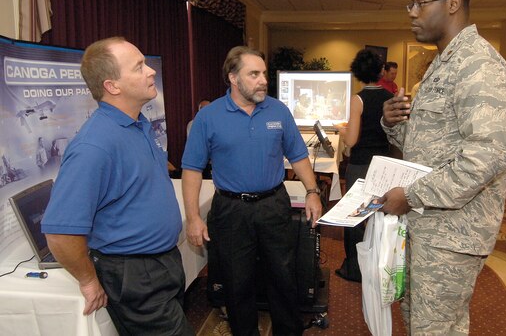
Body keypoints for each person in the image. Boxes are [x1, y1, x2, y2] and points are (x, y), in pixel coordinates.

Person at [380, 0, 506, 335]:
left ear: (453, 3)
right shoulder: (441, 64)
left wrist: (410, 195)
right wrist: (393, 122)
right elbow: (430, 143)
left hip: (452, 232)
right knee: (420, 320)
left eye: (420, 3)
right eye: (411, 4)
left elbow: (485, 159)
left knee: (433, 329)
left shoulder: (479, 65)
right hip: (428, 225)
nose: (411, 12)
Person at [41, 37, 194, 336]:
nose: (151, 71)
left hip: (162, 262)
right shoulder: (93, 146)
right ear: (113, 86)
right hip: (135, 274)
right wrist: (88, 280)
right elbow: (59, 233)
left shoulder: (138, 124)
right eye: (139, 67)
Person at [181, 45, 323, 336]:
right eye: (254, 74)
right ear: (233, 78)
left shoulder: (278, 110)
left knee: (283, 276)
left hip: (273, 205)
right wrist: (193, 216)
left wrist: (312, 192)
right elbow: (192, 169)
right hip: (231, 211)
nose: (263, 80)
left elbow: (298, 155)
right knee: (237, 282)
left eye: (263, 74)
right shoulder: (209, 117)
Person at [333, 48, 392, 282]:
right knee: (380, 217)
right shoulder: (390, 98)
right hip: (385, 164)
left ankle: (355, 269)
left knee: (355, 218)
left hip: (361, 166)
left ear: (358, 72)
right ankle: (379, 265)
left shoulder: (358, 100)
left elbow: (352, 140)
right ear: (381, 71)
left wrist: (341, 129)